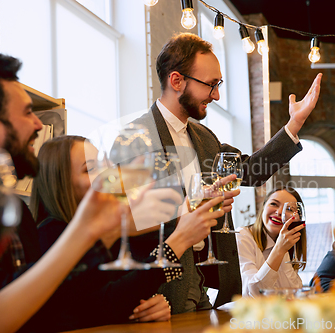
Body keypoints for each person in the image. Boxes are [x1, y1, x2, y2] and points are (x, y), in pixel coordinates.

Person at [130, 32, 322, 313]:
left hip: (204, 290)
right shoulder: (137, 138)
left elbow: (251, 171)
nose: (216, 95)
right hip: (159, 294)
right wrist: (189, 208)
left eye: (218, 84)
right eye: (210, 84)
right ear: (176, 81)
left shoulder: (204, 137)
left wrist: (294, 124)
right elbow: (130, 223)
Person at [0, 53, 126, 333]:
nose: (39, 124)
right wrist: (91, 232)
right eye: (27, 112)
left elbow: (41, 309)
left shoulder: (14, 211)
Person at [27, 135, 225, 329]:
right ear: (60, 183)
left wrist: (152, 304)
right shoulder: (50, 234)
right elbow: (97, 307)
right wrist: (179, 241)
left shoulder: (106, 234)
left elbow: (121, 294)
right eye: (91, 169)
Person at [235, 187, 306, 297]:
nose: (279, 212)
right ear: (263, 207)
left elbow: (294, 293)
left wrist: (282, 250)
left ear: (297, 218)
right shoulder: (242, 236)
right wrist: (279, 250)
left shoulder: (286, 245)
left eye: (289, 209)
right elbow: (252, 293)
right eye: (274, 204)